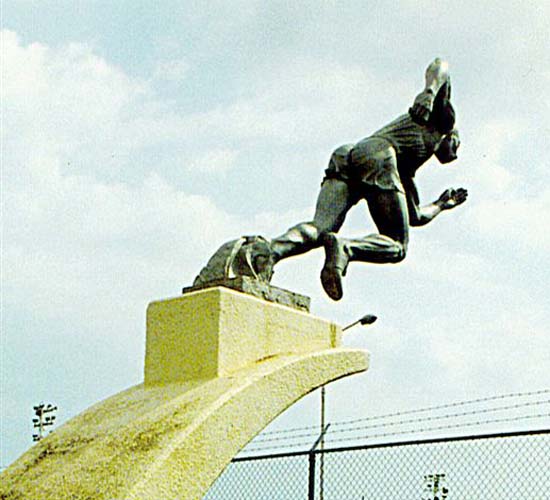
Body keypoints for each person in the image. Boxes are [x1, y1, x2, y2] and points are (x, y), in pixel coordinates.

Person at [269, 58, 468, 301]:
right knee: (397, 246)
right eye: (457, 145)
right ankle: (346, 249)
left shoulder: (406, 170)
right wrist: (428, 93)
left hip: (349, 154)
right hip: (378, 155)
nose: (455, 154)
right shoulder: (441, 122)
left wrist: (440, 205)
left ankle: (267, 253)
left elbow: (414, 216)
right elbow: (441, 66)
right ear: (451, 136)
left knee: (320, 228)